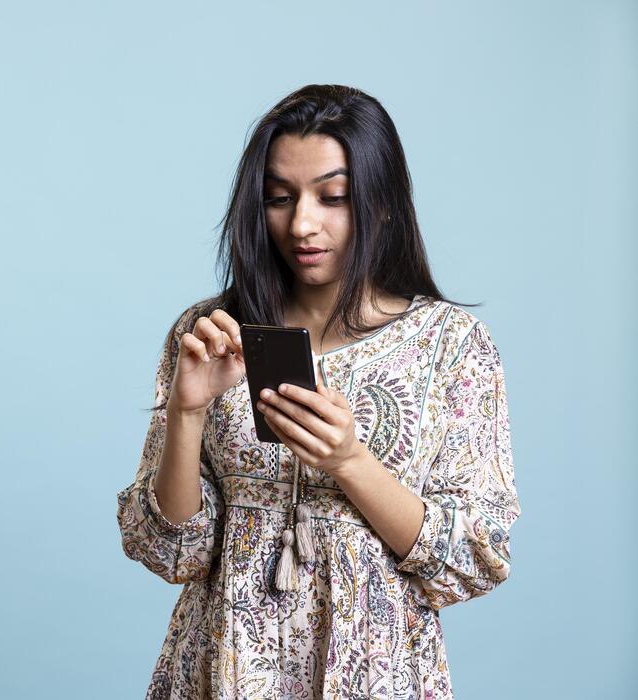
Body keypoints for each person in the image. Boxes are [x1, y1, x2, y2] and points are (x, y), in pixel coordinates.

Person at [115, 84, 520, 700]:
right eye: (280, 198)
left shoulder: (452, 346)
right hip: (221, 670)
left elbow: (473, 557)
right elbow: (170, 552)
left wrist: (350, 463)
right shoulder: (210, 335)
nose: (302, 223)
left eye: (334, 197)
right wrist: (187, 412)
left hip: (375, 674)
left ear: (382, 204)